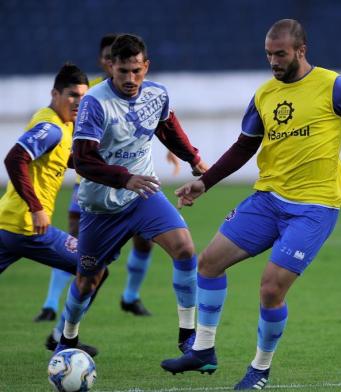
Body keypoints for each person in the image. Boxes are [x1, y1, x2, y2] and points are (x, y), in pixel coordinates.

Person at [160, 19, 341, 389]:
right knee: (209, 262)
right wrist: (205, 182)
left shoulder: (334, 86)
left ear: (301, 51)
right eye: (268, 54)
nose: (273, 62)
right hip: (267, 199)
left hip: (314, 207)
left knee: (270, 289)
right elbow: (244, 146)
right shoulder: (265, 94)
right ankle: (203, 350)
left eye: (280, 54)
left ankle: (260, 369)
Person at [53, 34, 208, 355]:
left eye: (136, 70)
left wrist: (193, 158)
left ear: (145, 66)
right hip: (101, 206)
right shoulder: (95, 103)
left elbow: (167, 127)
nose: (130, 79)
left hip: (143, 195)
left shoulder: (156, 93)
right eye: (123, 71)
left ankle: (188, 334)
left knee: (184, 249)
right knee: (86, 281)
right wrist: (125, 178)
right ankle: (67, 338)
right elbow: (83, 160)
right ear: (111, 67)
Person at [34, 34, 181, 322]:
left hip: (131, 182)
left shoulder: (134, 89)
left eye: (133, 68)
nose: (114, 66)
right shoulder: (88, 93)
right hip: (89, 182)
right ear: (107, 62)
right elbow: (65, 130)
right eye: (106, 59)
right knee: (77, 247)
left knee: (143, 240)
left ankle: (130, 296)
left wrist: (175, 151)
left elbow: (148, 125)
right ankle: (52, 305)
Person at [0, 64, 103, 356]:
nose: (78, 102)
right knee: (94, 268)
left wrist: (102, 169)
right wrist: (36, 207)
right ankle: (64, 338)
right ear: (55, 93)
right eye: (71, 95)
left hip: (6, 223)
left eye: (83, 96)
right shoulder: (52, 127)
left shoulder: (61, 124)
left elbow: (62, 159)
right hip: (27, 227)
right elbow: (14, 159)